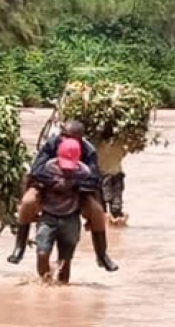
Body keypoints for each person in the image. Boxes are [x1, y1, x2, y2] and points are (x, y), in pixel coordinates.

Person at [7, 120, 119, 272]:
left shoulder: (89, 151)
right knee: (27, 201)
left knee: (97, 211)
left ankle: (102, 254)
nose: (66, 140)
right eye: (64, 136)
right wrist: (55, 180)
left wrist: (73, 183)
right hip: (47, 186)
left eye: (71, 138)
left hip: (78, 189)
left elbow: (94, 179)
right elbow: (37, 171)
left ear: (81, 139)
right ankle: (19, 247)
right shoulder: (51, 145)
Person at [31, 137, 91, 284]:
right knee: (42, 253)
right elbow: (31, 179)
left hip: (71, 218)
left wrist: (92, 217)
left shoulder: (83, 173)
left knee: (65, 261)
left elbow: (93, 190)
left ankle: (63, 288)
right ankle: (45, 283)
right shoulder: (46, 170)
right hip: (48, 217)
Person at [95, 131, 128, 225]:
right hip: (116, 176)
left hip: (103, 177)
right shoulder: (119, 145)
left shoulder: (97, 146)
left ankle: (105, 227)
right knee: (116, 205)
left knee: (102, 206)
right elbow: (124, 153)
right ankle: (116, 224)